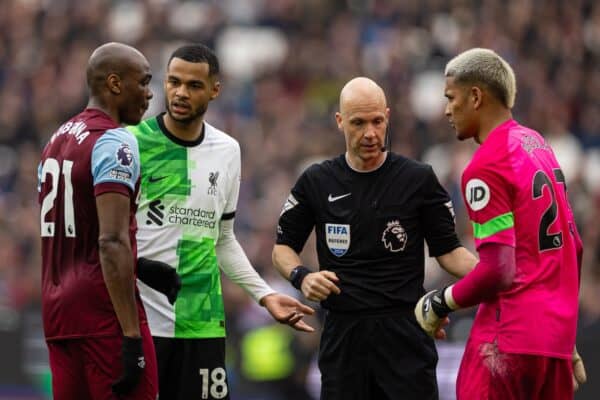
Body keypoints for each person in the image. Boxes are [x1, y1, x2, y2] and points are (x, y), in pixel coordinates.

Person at [127, 43, 315, 400]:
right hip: (143, 323)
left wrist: (264, 296)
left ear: (215, 90)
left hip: (202, 323)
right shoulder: (133, 145)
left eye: (194, 85)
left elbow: (223, 239)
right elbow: (111, 240)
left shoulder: (227, 150)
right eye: (174, 82)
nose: (181, 92)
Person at [272, 76, 478, 400]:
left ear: (387, 117)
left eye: (377, 121)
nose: (370, 133)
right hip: (343, 336)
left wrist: (497, 276)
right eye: (358, 123)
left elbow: (450, 253)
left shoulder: (418, 179)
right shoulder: (317, 180)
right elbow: (283, 248)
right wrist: (302, 277)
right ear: (340, 122)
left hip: (404, 335)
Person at [414, 48, 587, 399]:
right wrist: (564, 341)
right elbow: (574, 248)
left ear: (475, 96)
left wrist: (440, 302)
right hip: (553, 344)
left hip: (506, 339)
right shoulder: (538, 146)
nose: (446, 110)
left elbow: (498, 269)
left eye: (451, 97)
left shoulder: (487, 165)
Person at [38, 42, 157, 399]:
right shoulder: (114, 142)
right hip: (104, 315)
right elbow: (110, 240)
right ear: (116, 84)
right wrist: (131, 336)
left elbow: (77, 232)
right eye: (144, 82)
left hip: (59, 316)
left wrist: (142, 267)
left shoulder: (55, 140)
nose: (150, 94)